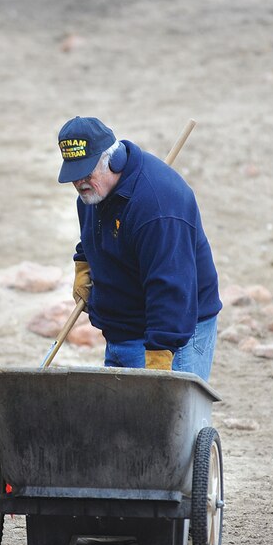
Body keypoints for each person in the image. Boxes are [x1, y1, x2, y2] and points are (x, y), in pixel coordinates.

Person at [58, 116, 221, 381]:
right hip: (122, 330)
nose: (80, 184)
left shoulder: (157, 207)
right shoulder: (93, 193)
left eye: (86, 173)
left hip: (174, 333)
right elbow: (94, 237)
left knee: (169, 422)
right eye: (74, 176)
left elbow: (171, 285)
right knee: (122, 421)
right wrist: (84, 263)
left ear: (113, 160)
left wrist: (159, 356)